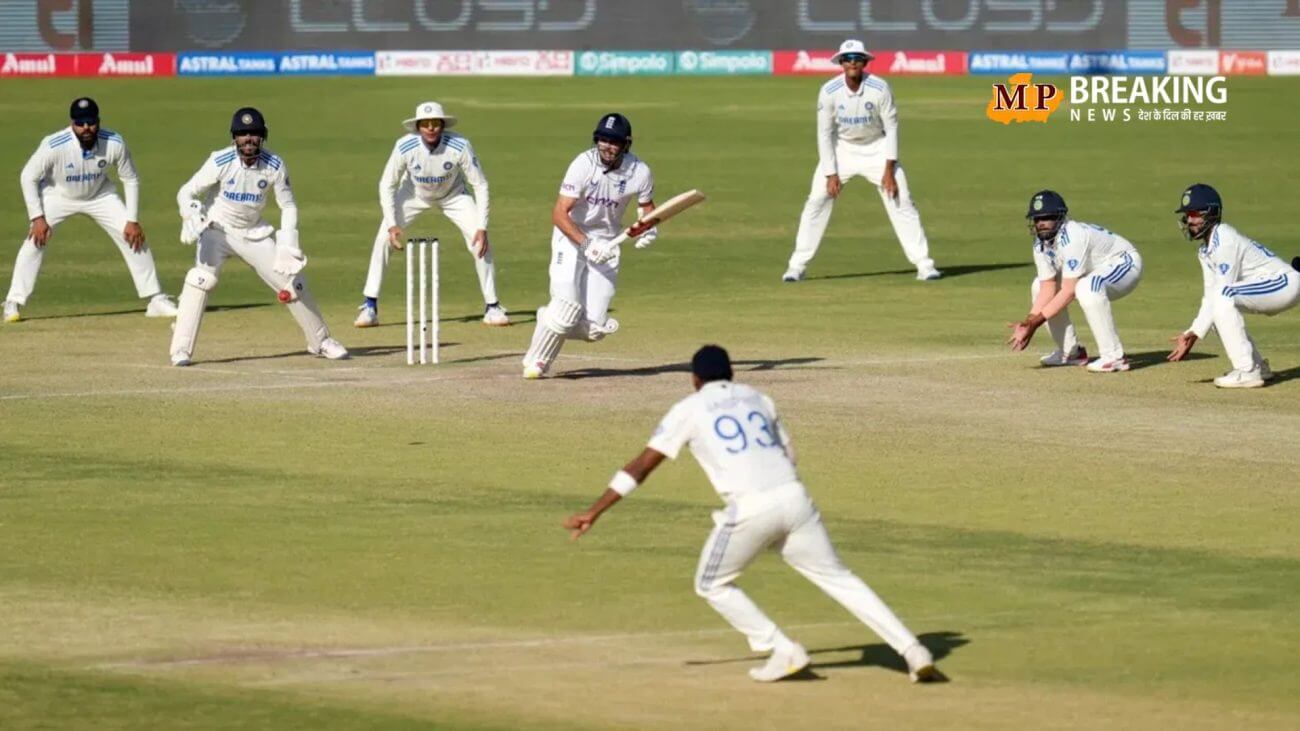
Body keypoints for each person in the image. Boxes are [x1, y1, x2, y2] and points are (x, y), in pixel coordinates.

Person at [563, 345, 939, 684]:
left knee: (711, 584)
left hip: (751, 508)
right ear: (731, 373)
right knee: (840, 579)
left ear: (694, 379)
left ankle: (783, 649)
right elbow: (789, 455)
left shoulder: (688, 408)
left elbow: (642, 466)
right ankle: (913, 650)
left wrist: (595, 511)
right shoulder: (759, 398)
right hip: (795, 498)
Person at [170, 107, 348, 366]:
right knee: (201, 280)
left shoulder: (274, 165)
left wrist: (287, 244)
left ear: (262, 136)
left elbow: (288, 205)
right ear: (234, 137)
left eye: (254, 133)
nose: (248, 139)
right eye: (242, 134)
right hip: (216, 230)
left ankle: (320, 341)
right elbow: (186, 192)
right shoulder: (220, 161)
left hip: (254, 233)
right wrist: (191, 214)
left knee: (293, 283)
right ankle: (180, 349)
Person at [4, 97, 177, 323]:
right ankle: (13, 302)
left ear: (98, 121)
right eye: (80, 123)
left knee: (133, 237)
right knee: (35, 241)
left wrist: (132, 220)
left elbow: (130, 178)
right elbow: (28, 176)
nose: (86, 128)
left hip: (100, 195)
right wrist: (37, 217)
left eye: (91, 122)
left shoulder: (114, 143)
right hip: (57, 195)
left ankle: (155, 299)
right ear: (72, 123)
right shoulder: (54, 145)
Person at [783, 39, 940, 284]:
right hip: (842, 148)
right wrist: (830, 173)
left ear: (865, 62)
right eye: (847, 59)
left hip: (876, 147)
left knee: (902, 199)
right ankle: (796, 266)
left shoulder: (880, 88)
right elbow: (824, 133)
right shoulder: (829, 91)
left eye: (857, 58)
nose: (853, 63)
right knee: (816, 200)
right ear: (841, 63)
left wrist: (889, 170)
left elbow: (892, 128)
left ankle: (924, 264)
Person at [520, 112, 657, 379]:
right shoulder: (583, 164)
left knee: (594, 329)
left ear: (626, 144)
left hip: (608, 242)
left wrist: (649, 228)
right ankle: (537, 362)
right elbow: (559, 214)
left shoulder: (640, 172)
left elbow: (647, 208)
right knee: (566, 309)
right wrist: (587, 245)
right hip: (572, 236)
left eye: (614, 142)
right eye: (603, 140)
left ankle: (547, 318)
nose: (607, 146)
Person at [354, 101, 507, 328]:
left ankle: (492, 306)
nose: (431, 128)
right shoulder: (404, 146)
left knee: (480, 243)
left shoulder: (460, 145)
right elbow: (387, 184)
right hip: (413, 194)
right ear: (418, 127)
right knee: (383, 239)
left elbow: (480, 184)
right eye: (425, 123)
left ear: (442, 125)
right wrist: (392, 224)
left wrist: (482, 227)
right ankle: (370, 306)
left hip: (454, 195)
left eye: (435, 123)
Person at [1167, 184, 1299, 388]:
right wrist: (1194, 331)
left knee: (1223, 297)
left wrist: (1199, 330)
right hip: (1272, 287)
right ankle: (1257, 366)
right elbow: (1210, 297)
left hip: (1284, 284)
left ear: (1211, 213)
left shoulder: (1224, 238)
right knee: (1219, 308)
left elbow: (1222, 291)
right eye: (1187, 215)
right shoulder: (1205, 251)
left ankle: (1247, 370)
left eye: (1194, 214)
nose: (1189, 220)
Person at [1007, 190, 1142, 372]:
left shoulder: (1073, 236)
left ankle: (1114, 357)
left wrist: (1035, 324)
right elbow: (1048, 288)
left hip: (1124, 262)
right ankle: (1070, 352)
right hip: (1092, 271)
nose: (1041, 223)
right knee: (1038, 285)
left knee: (1087, 287)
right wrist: (1028, 322)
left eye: (1047, 217)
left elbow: (1069, 291)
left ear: (1060, 217)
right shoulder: (1040, 244)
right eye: (1037, 219)